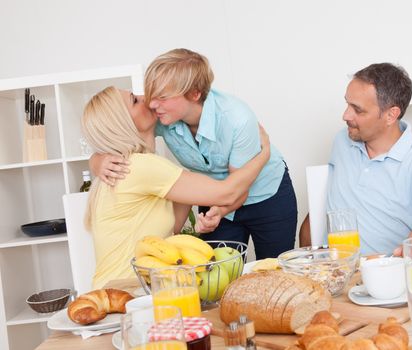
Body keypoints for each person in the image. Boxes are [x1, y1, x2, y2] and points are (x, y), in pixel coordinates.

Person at [91, 48, 297, 259]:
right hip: (213, 194)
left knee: (276, 270)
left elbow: (239, 189)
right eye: (152, 94)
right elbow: (120, 127)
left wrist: (222, 209)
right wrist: (97, 161)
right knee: (219, 277)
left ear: (194, 94)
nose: (152, 104)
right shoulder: (162, 115)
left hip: (264, 194)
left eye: (162, 96)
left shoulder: (237, 119)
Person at [82, 86, 271, 289]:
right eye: (134, 100)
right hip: (129, 294)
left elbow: (172, 228)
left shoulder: (129, 167)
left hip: (117, 291)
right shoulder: (139, 167)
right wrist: (264, 155)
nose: (145, 97)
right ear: (121, 125)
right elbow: (227, 193)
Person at [299, 63, 412, 256]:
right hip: (335, 269)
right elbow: (327, 203)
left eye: (358, 110)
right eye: (347, 104)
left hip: (386, 272)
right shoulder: (343, 141)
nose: (345, 115)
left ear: (390, 115)